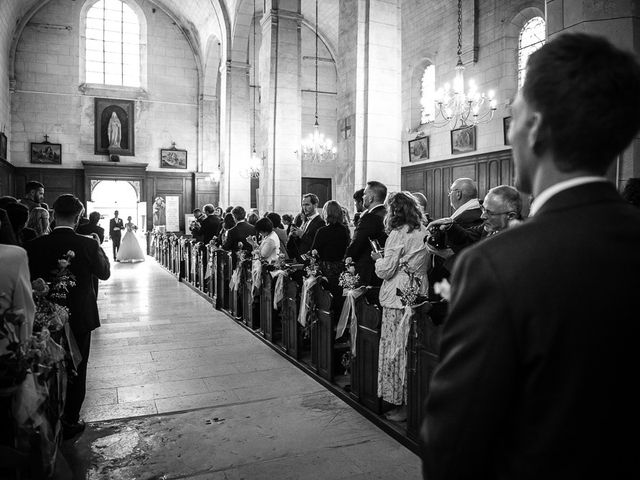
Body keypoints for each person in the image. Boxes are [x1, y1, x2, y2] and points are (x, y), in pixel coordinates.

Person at [420, 33, 640, 480]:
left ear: (535, 127)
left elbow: (453, 447)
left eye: (514, 115)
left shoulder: (497, 266)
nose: (512, 130)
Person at [26, 194, 111, 440]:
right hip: (79, 315)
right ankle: (71, 420)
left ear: (53, 215)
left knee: (45, 364)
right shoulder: (88, 243)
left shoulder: (35, 245)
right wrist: (98, 247)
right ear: (78, 217)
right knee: (77, 366)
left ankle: (46, 418)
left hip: (44, 315)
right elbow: (103, 273)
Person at [371, 191, 429, 422]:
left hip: (397, 298)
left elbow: (387, 270)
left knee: (395, 350)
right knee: (412, 349)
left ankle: (401, 405)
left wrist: (378, 259)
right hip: (418, 293)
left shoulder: (397, 233)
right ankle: (413, 402)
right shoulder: (422, 230)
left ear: (394, 211)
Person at [345, 181, 388, 287]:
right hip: (383, 266)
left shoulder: (370, 217)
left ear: (371, 198)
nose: (363, 197)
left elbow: (358, 242)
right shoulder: (387, 214)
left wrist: (348, 256)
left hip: (368, 270)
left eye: (365, 194)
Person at [311, 200, 350, 308]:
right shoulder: (344, 230)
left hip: (326, 269)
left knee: (325, 298)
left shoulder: (322, 231)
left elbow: (314, 250)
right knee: (338, 295)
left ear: (326, 213)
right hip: (340, 267)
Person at [288, 193, 325, 261]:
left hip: (311, 262)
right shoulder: (306, 221)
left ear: (315, 205)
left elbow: (317, 245)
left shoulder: (320, 222)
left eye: (307, 205)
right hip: (301, 260)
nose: (304, 208)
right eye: (303, 205)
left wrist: (302, 234)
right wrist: (295, 235)